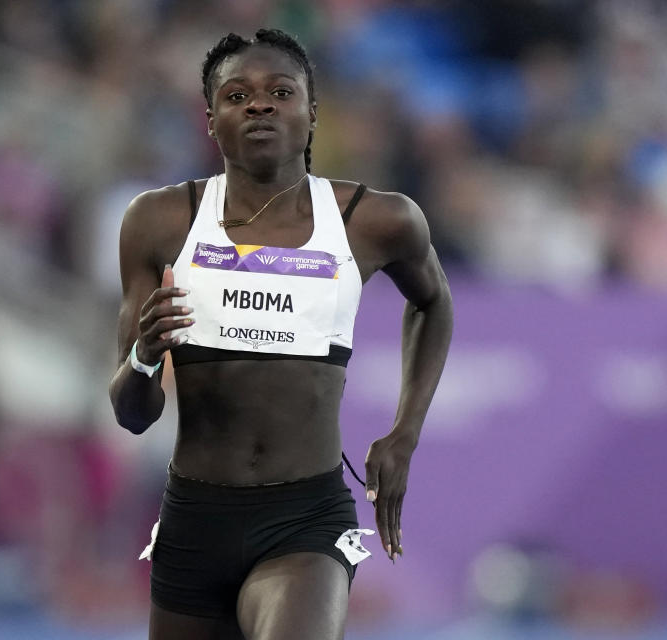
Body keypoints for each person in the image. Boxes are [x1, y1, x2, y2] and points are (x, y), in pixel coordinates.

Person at [109, 29, 452, 640]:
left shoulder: (375, 220)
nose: (259, 104)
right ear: (211, 121)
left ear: (311, 115)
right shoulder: (158, 222)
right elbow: (133, 415)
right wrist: (142, 357)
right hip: (196, 518)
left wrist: (405, 433)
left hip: (305, 517)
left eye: (280, 92)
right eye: (237, 95)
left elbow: (433, 304)